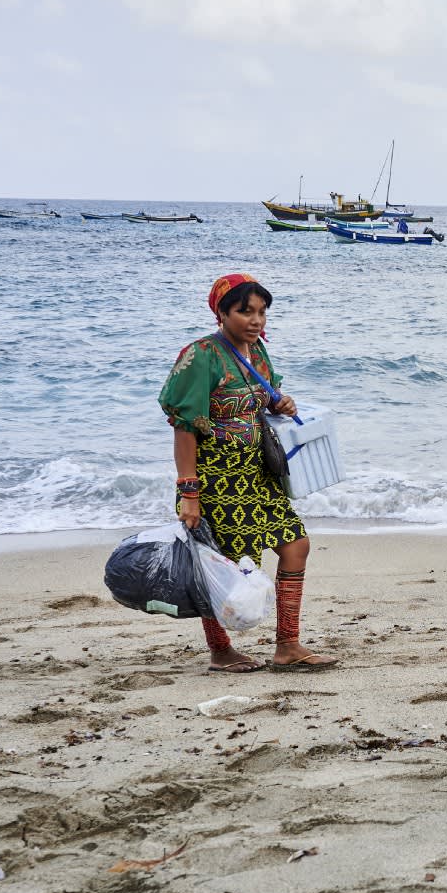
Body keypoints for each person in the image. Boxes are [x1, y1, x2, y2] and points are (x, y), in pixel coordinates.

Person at [159, 273, 338, 674]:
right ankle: (221, 651)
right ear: (221, 312)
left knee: (296, 545)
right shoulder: (201, 355)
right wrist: (190, 492)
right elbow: (184, 426)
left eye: (262, 312)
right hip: (216, 479)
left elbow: (262, 401)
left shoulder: (257, 353)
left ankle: (287, 645)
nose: (256, 320)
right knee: (219, 565)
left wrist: (281, 404)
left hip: (258, 476)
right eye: (245, 311)